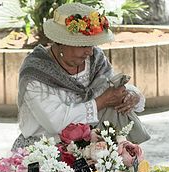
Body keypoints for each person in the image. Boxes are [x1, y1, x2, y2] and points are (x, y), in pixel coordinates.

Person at [12, 2, 150, 151]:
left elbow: (110, 85)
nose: (90, 52)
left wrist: (130, 96)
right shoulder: (36, 71)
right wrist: (101, 101)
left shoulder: (95, 59)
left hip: (92, 146)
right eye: (84, 45)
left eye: (92, 45)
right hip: (46, 151)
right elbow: (56, 123)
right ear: (61, 43)